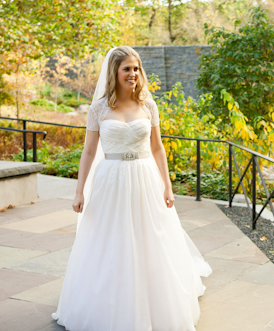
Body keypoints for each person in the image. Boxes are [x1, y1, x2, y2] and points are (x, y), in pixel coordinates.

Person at [52, 46, 212, 331]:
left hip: (144, 177)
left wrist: (167, 186)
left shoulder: (148, 105)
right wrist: (79, 191)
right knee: (110, 239)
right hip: (110, 180)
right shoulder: (99, 108)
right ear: (114, 72)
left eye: (136, 68)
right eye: (127, 68)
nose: (133, 74)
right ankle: (109, 303)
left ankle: (153, 302)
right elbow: (88, 152)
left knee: (149, 237)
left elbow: (157, 148)